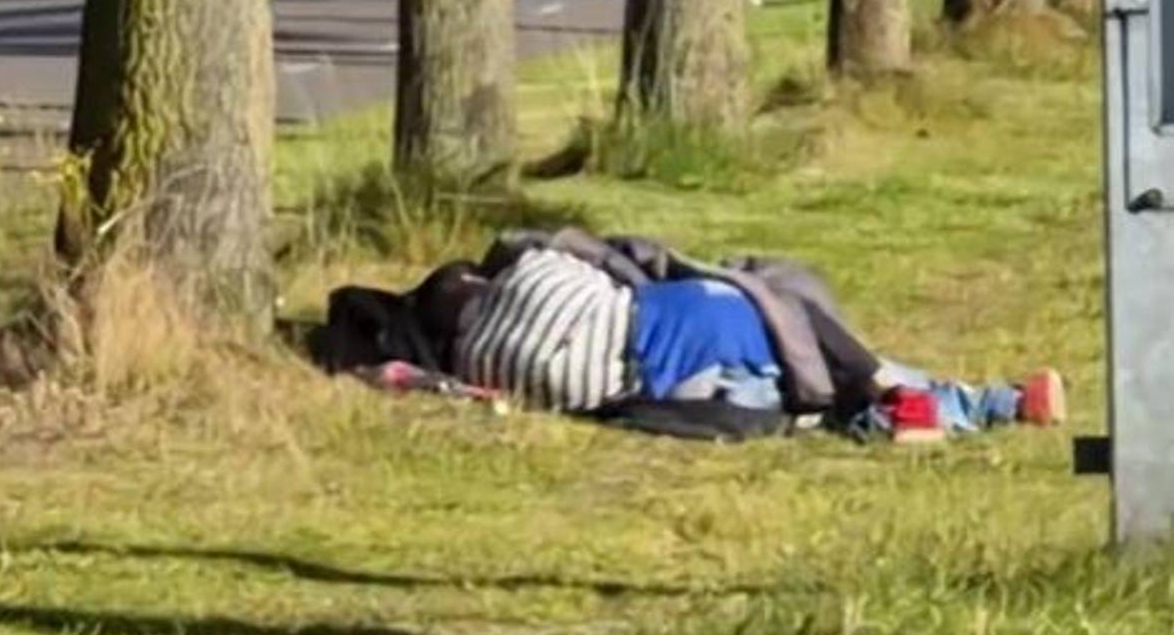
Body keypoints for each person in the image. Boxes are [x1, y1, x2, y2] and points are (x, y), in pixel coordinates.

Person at [409, 239, 1066, 438]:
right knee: (784, 306)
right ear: (476, 283)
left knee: (798, 395)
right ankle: (976, 403)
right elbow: (594, 255)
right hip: (695, 323)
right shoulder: (529, 273)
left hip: (690, 390)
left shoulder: (479, 365)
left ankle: (909, 406)